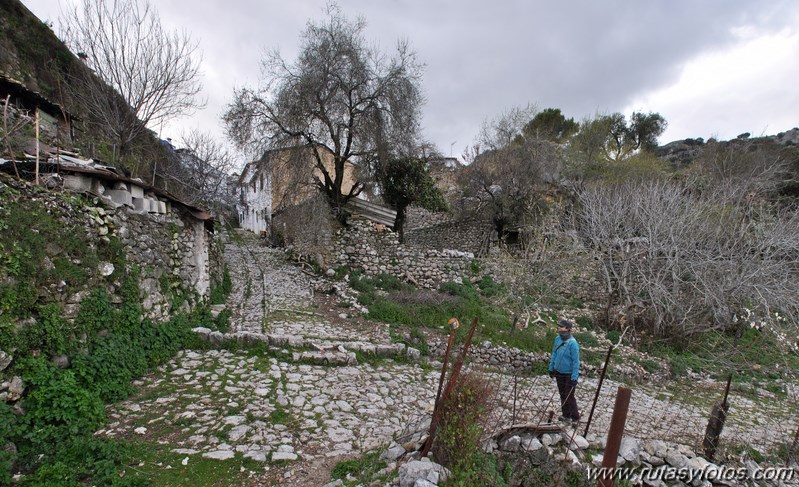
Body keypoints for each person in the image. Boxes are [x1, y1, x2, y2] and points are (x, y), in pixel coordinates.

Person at [548, 319, 580, 426]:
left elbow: (576, 361)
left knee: (569, 395)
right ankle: (566, 415)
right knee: (562, 394)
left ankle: (575, 418)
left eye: (561, 326)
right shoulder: (557, 339)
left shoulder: (573, 343)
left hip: (569, 373)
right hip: (558, 371)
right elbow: (554, 353)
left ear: (568, 329)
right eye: (559, 326)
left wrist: (574, 377)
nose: (559, 328)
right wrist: (551, 368)